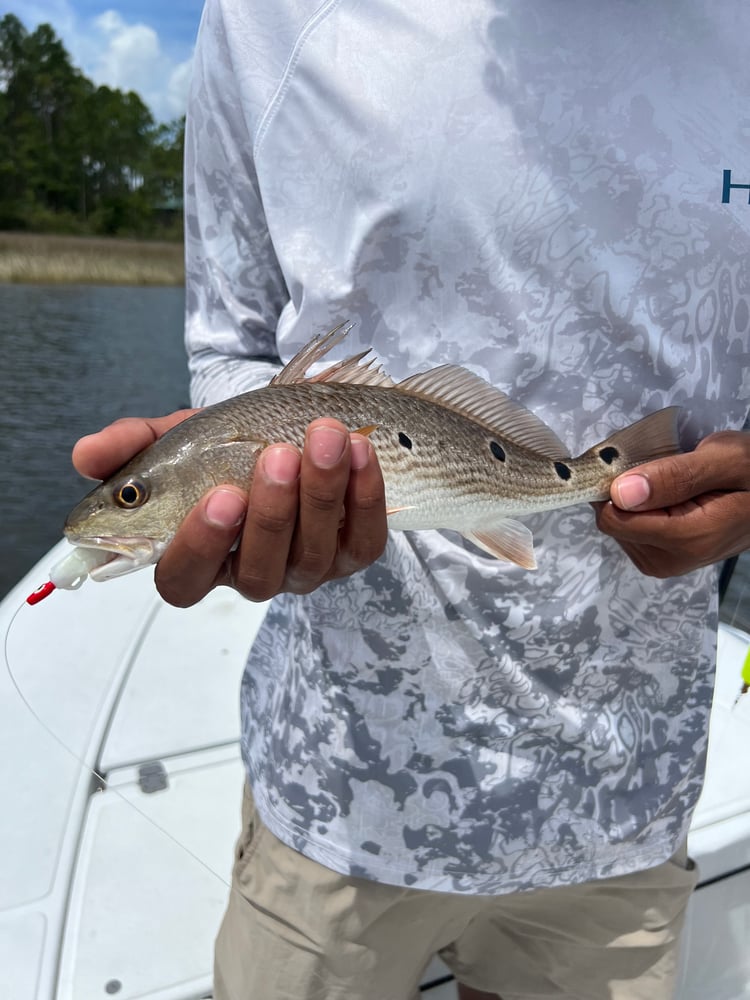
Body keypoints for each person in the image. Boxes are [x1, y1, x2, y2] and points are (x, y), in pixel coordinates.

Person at [73, 1, 750, 997]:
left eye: (130, 495)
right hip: (335, 793)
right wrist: (255, 474)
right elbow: (231, 340)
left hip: (625, 804)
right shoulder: (265, 14)